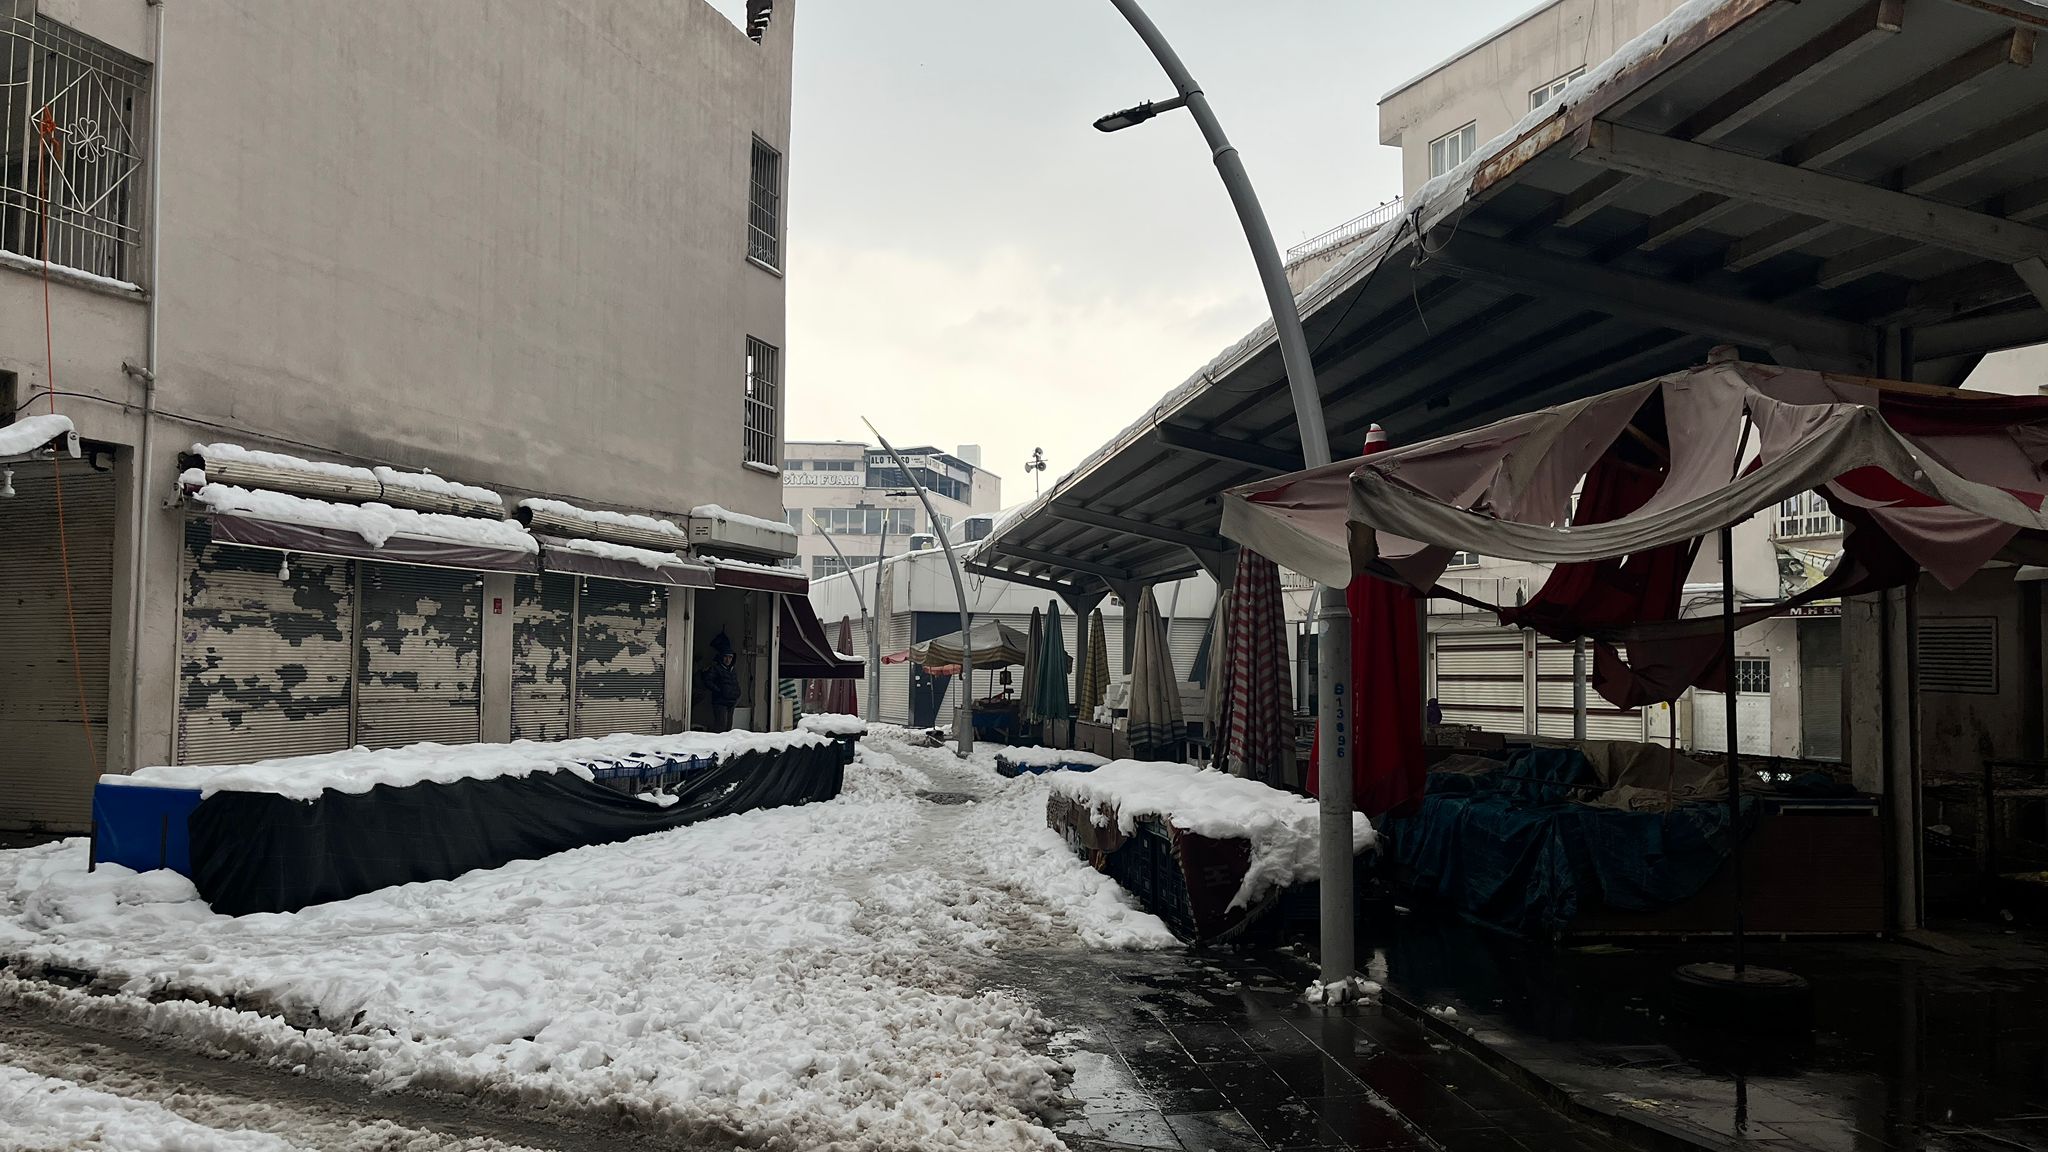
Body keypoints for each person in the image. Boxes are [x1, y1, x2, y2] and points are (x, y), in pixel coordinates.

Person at [705, 649, 741, 732]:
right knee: (721, 726)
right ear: (722, 657)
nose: (728, 660)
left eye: (730, 657)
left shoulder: (733, 669)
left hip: (732, 701)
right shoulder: (716, 668)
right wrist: (719, 691)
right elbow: (707, 681)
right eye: (726, 657)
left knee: (729, 726)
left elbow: (735, 682)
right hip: (720, 701)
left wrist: (737, 693)